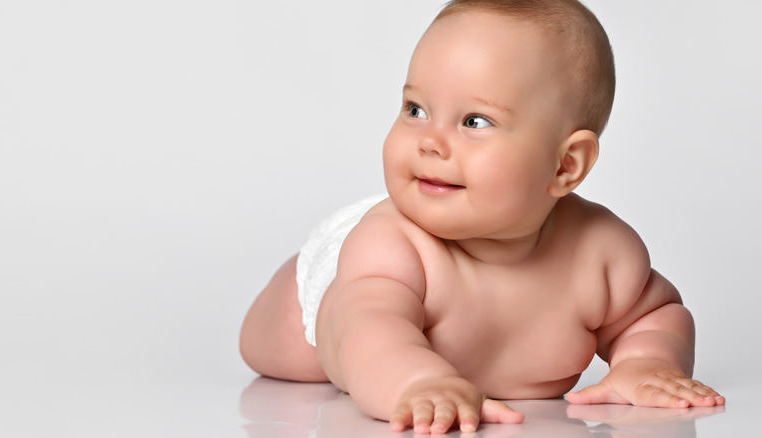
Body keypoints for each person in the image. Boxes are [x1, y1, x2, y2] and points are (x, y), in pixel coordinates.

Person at [239, 0, 725, 434]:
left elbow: (656, 314)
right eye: (416, 108)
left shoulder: (600, 252)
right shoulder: (390, 247)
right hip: (336, 291)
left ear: (564, 165)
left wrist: (646, 362)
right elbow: (366, 329)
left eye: (475, 121)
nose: (430, 140)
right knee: (277, 351)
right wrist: (418, 381)